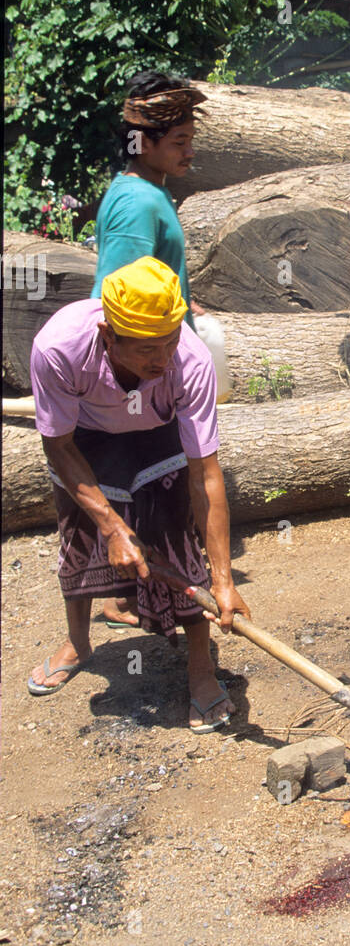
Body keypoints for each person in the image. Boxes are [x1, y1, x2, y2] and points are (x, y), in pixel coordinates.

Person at [28, 256, 251, 733]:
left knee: (174, 537)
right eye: (149, 349)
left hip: (158, 429)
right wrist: (111, 525)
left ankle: (201, 669)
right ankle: (79, 643)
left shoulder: (188, 361)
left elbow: (205, 477)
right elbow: (58, 445)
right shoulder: (59, 348)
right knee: (80, 533)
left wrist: (224, 580)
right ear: (109, 336)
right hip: (83, 435)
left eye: (170, 341)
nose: (163, 358)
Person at [91, 71, 206, 625]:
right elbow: (123, 289)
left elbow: (154, 277)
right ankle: (131, 593)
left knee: (138, 471)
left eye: (190, 139)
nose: (190, 151)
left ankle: (122, 591)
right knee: (150, 470)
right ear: (146, 142)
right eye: (179, 142)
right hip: (139, 361)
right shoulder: (138, 204)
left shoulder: (147, 190)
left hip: (150, 351)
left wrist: (187, 301)